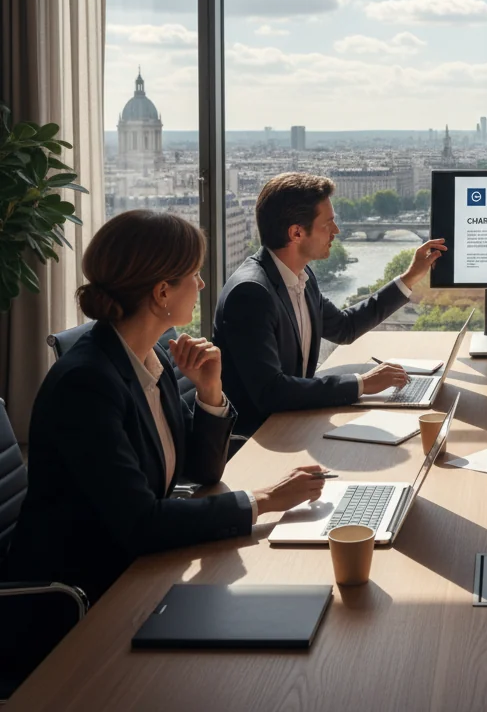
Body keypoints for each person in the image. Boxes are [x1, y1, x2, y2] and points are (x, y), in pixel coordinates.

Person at [3, 210, 327, 605]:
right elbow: (141, 523)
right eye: (194, 274)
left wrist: (210, 391)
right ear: (162, 293)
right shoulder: (86, 384)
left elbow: (200, 471)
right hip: (83, 596)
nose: (202, 284)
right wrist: (265, 499)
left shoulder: (149, 357)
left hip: (138, 567)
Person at [215, 173, 446, 437]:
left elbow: (344, 327)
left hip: (295, 422)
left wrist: (410, 277)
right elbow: (271, 392)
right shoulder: (251, 294)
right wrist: (361, 384)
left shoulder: (300, 275)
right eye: (328, 223)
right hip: (261, 440)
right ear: (296, 232)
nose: (336, 231)